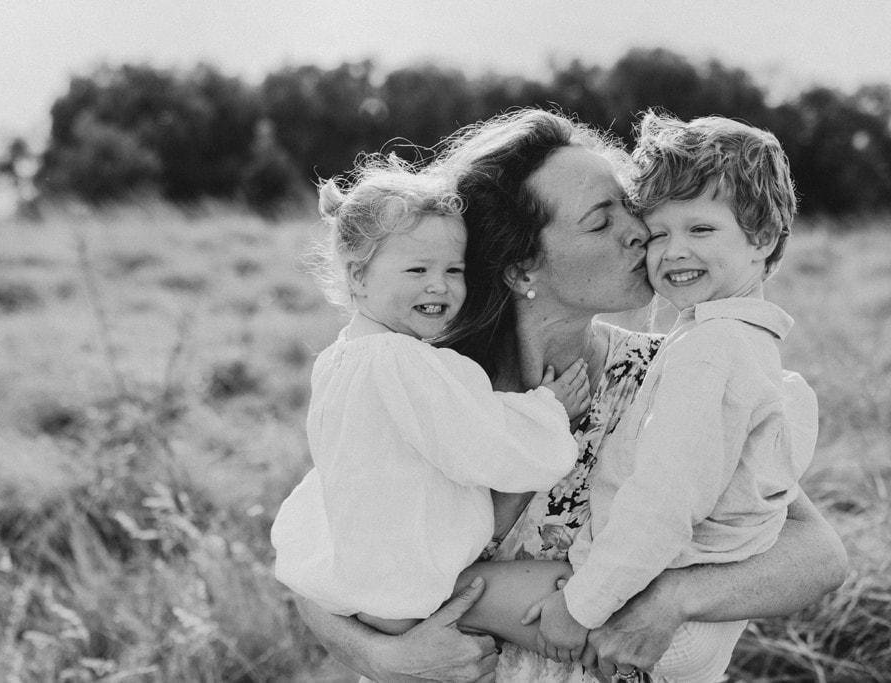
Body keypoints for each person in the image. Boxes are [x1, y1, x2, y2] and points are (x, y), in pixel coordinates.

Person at [291, 109, 848, 683]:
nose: (640, 233)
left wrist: (672, 599)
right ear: (520, 266)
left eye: (631, 211)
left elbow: (816, 554)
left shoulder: (667, 374)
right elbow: (325, 546)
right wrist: (377, 657)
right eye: (600, 222)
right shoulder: (434, 385)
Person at [523, 112, 818, 682]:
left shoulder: (712, 353)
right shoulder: (743, 347)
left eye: (701, 230)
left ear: (762, 238)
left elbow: (663, 501)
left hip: (650, 614)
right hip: (681, 614)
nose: (672, 251)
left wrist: (580, 604)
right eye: (659, 232)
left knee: (456, 601)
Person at [270, 155, 588, 636]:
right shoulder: (401, 362)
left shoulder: (341, 359)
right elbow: (481, 442)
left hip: (369, 584)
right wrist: (547, 412)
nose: (438, 285)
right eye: (417, 269)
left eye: (454, 270)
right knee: (576, 592)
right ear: (357, 276)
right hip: (413, 588)